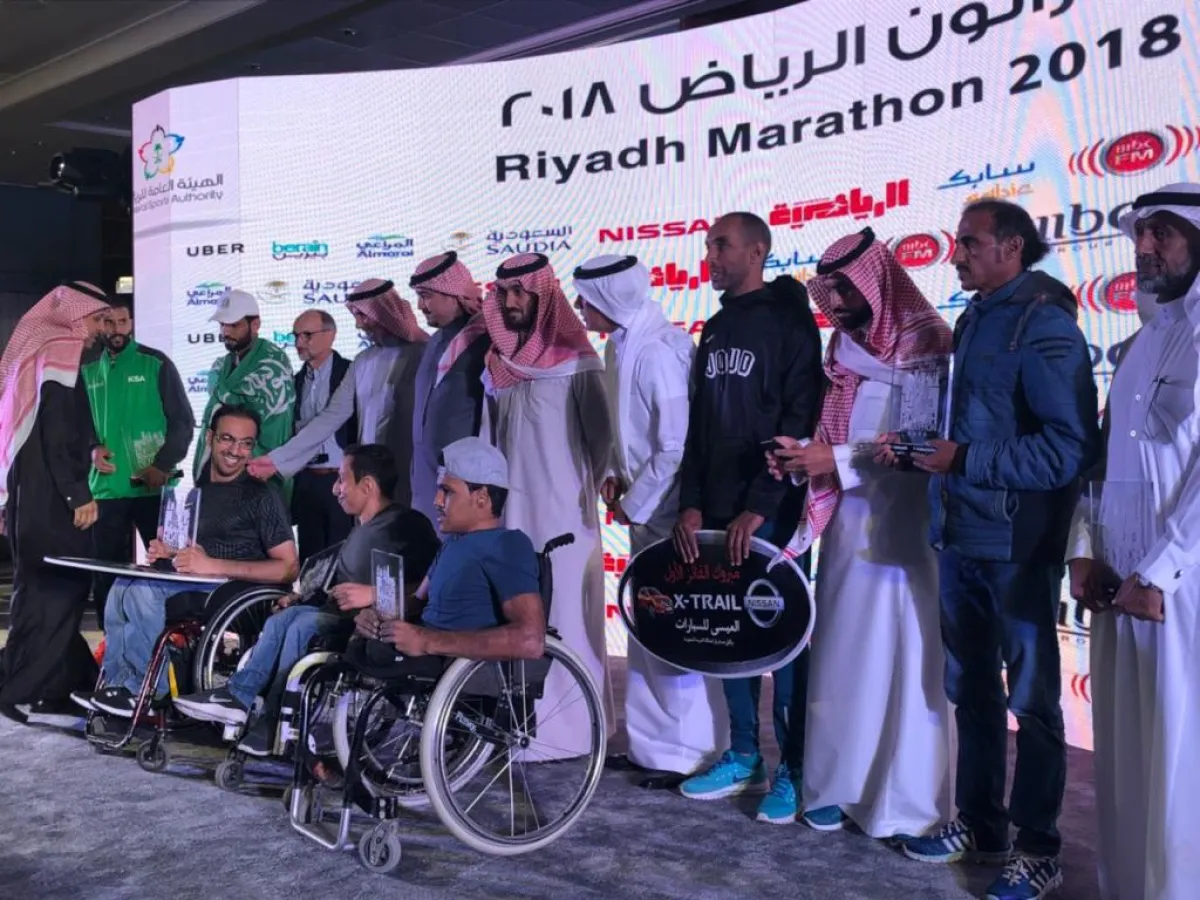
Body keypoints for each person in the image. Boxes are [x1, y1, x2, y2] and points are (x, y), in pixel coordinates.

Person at [899, 199, 1100, 900]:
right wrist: (922, 454)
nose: (954, 255)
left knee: (1034, 702)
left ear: (1012, 247)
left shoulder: (1044, 324)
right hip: (959, 534)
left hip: (1017, 544)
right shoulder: (975, 317)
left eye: (969, 243)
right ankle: (981, 825)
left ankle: (1038, 847)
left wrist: (964, 460)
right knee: (971, 691)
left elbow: (1068, 450)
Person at [766, 227, 953, 838]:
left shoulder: (927, 341)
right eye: (832, 292)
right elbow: (837, 431)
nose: (840, 303)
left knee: (901, 659)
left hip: (907, 530)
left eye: (849, 289)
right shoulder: (842, 348)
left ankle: (902, 802)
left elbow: (923, 441)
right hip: (849, 526)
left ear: (879, 284)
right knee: (845, 654)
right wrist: (805, 456)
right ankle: (839, 786)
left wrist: (836, 458)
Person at [1067, 182, 1200, 900]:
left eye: (1163, 233)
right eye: (1139, 234)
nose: (1144, 248)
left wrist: (1161, 572)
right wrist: (1085, 550)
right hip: (1121, 585)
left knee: (1184, 761)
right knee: (1126, 761)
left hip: (1180, 589)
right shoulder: (1142, 341)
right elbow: (1106, 459)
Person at [672, 212, 823, 824]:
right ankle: (743, 755)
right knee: (728, 633)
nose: (710, 255)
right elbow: (699, 426)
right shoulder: (714, 327)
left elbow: (799, 420)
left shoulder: (790, 322)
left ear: (758, 250)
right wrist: (691, 501)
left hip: (773, 513)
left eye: (722, 245)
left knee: (782, 640)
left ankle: (795, 768)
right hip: (717, 509)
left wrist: (761, 505)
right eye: (709, 245)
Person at [174, 442, 440, 756]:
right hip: (340, 616)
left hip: (371, 628)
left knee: (301, 625)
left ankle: (275, 719)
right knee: (284, 618)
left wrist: (372, 593)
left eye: (342, 479)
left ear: (367, 485)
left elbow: (431, 584)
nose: (335, 489)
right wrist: (301, 597)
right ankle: (237, 697)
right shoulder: (360, 530)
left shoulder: (407, 524)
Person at [573, 253, 727, 789]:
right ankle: (652, 748)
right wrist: (615, 474)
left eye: (586, 301)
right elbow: (629, 433)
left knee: (678, 631)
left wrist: (633, 503)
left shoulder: (660, 349)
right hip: (645, 510)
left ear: (610, 299)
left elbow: (673, 447)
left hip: (672, 514)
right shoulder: (620, 345)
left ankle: (691, 754)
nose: (580, 309)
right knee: (648, 628)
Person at [71, 405, 299, 718]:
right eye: (228, 439)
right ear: (210, 438)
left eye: (246, 443)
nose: (236, 451)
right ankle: (117, 685)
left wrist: (214, 565)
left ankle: (145, 691)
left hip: (236, 591)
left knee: (142, 592)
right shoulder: (199, 492)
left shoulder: (262, 496)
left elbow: (288, 567)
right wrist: (169, 552)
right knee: (122, 585)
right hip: (195, 583)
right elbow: (197, 552)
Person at [479, 252, 614, 759]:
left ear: (544, 296)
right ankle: (523, 729)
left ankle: (575, 732)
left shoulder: (578, 361)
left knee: (567, 617)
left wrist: (579, 491)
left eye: (521, 292)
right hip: (512, 518)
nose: (511, 302)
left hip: (566, 516)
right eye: (504, 293)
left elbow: (602, 445)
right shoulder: (499, 364)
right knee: (517, 617)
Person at [0, 282, 110, 723]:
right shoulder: (62, 350)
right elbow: (58, 434)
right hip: (53, 503)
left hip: (28, 501)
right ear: (75, 316)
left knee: (38, 596)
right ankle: (21, 689)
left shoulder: (35, 352)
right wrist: (77, 494)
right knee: (61, 590)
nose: (101, 328)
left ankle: (64, 685)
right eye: (97, 319)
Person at [357, 437, 544, 667]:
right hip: (424, 657)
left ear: (482, 497)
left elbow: (530, 640)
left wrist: (426, 640)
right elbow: (417, 601)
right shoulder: (452, 543)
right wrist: (377, 615)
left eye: (447, 491)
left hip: (450, 667)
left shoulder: (507, 544)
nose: (436, 501)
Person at [250, 279, 428, 508]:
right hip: (369, 478)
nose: (359, 325)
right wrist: (276, 460)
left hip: (412, 471)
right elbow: (331, 417)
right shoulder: (362, 362)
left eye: (363, 316)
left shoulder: (423, 354)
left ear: (384, 313)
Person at [83, 295, 195, 622]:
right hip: (107, 488)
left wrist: (162, 465)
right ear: (101, 325)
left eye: (122, 322)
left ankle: (176, 635)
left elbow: (183, 421)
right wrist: (92, 448)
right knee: (106, 573)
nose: (116, 329)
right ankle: (111, 639)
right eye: (109, 322)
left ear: (131, 323)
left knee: (168, 566)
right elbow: (78, 423)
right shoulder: (87, 369)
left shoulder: (155, 363)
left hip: (152, 487)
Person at [409, 251, 490, 526]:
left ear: (452, 293)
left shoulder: (483, 339)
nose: (420, 306)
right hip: (425, 474)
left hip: (464, 479)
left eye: (426, 296)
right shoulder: (434, 341)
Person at [191, 289, 295, 495]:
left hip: (257, 478)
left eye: (234, 325)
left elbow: (244, 422)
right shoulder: (225, 363)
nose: (225, 332)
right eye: (222, 325)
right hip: (219, 477)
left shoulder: (273, 364)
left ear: (255, 325)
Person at [285, 309, 356, 565]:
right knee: (310, 561)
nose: (299, 342)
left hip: (342, 480)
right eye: (295, 336)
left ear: (330, 335)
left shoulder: (352, 372)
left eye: (307, 335)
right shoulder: (293, 382)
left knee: (345, 559)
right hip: (306, 481)